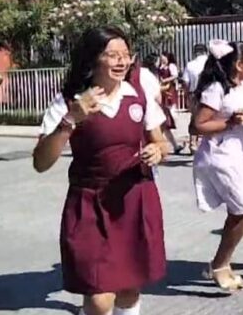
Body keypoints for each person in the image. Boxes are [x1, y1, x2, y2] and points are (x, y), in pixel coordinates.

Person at [32, 27, 168, 315]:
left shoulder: (138, 94)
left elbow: (160, 141)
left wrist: (158, 151)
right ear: (94, 59)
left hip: (134, 201)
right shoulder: (70, 100)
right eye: (112, 55)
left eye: (126, 55)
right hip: (90, 204)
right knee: (99, 297)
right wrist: (70, 120)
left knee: (130, 288)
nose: (121, 62)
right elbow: (41, 163)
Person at [192, 40, 243, 291]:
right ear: (238, 65)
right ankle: (219, 264)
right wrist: (230, 123)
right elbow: (198, 125)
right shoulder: (216, 89)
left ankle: (222, 262)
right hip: (219, 158)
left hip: (239, 158)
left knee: (239, 211)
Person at [182, 44, 209, 154]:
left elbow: (186, 82)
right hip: (210, 92)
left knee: (194, 118)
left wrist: (187, 95)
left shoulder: (190, 65)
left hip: (195, 93)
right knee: (210, 117)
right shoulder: (210, 64)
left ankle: (193, 142)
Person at [158, 52, 183, 154]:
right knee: (164, 122)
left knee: (169, 115)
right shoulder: (159, 66)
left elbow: (175, 76)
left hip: (169, 90)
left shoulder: (171, 66)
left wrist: (165, 80)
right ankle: (173, 145)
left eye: (163, 57)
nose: (162, 59)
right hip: (162, 92)